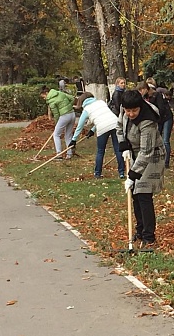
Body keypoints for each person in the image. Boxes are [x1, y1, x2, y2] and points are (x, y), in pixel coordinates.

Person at [117, 89, 166, 252]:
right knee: (135, 195)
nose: (130, 114)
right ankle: (139, 230)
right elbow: (119, 126)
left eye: (134, 111)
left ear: (140, 107)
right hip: (135, 153)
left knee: (143, 194)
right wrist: (123, 146)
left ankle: (148, 237)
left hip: (152, 156)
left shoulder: (148, 121)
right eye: (127, 110)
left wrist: (132, 175)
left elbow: (147, 151)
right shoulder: (124, 110)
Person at [69, 92, 124, 179]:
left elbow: (80, 126)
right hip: (115, 123)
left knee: (100, 151)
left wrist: (73, 140)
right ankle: (122, 173)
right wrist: (92, 130)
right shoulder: (101, 102)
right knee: (118, 149)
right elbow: (103, 117)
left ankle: (97, 173)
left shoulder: (86, 109)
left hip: (102, 127)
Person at [40, 85, 77, 160]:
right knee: (68, 135)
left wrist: (57, 123)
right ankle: (69, 154)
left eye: (43, 97)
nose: (44, 99)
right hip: (72, 114)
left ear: (46, 93)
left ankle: (59, 154)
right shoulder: (60, 93)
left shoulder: (51, 101)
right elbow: (72, 98)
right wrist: (69, 106)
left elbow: (56, 114)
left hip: (64, 116)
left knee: (56, 134)